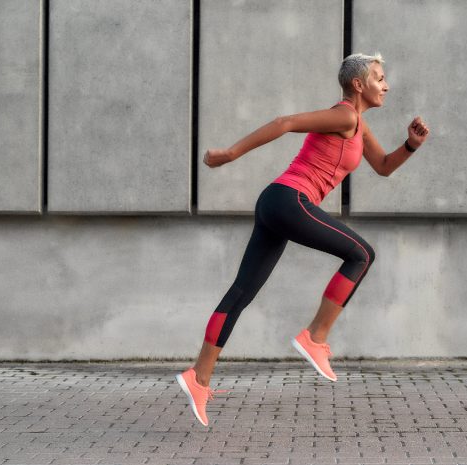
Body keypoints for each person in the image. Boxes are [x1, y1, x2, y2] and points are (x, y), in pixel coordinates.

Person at [176, 53, 430, 426]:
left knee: (241, 293)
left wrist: (410, 146)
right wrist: (231, 154)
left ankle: (199, 378)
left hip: (276, 203)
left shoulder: (358, 125)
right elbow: (286, 122)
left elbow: (384, 167)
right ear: (358, 85)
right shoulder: (344, 114)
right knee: (362, 254)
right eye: (379, 78)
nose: (386, 85)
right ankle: (315, 336)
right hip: (289, 200)